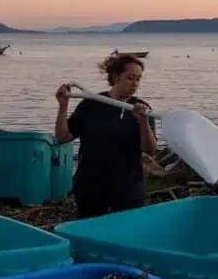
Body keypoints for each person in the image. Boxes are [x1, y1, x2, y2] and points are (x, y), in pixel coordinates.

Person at [54, 54, 157, 219]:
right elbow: (62, 137)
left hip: (128, 188)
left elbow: (150, 150)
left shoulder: (141, 109)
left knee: (124, 235)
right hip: (90, 185)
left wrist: (143, 122)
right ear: (116, 77)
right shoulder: (91, 104)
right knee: (91, 233)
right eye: (130, 78)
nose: (135, 84)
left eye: (138, 79)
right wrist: (63, 106)